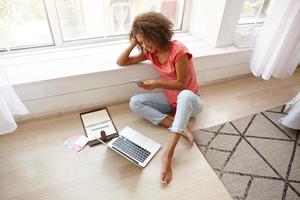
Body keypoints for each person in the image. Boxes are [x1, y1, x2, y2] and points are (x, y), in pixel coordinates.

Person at [116, 12, 203, 184]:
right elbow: (121, 61)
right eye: (142, 42)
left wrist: (156, 84)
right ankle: (180, 127)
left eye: (146, 40)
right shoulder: (150, 52)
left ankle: (168, 154)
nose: (145, 45)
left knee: (185, 95)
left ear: (157, 34)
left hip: (191, 101)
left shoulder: (179, 51)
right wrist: (135, 42)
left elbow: (181, 84)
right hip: (169, 99)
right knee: (135, 102)